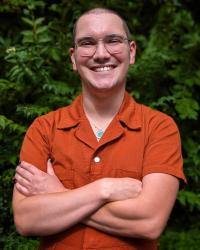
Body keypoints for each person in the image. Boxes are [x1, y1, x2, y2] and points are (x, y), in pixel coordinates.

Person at [12, 7, 186, 250]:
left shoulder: (159, 128)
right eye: (87, 43)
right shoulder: (43, 129)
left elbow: (149, 222)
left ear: (131, 51)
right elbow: (26, 220)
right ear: (73, 58)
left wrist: (60, 193)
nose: (101, 54)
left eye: (113, 40)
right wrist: (103, 190)